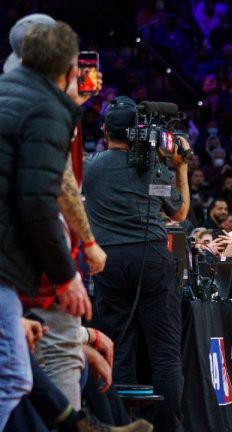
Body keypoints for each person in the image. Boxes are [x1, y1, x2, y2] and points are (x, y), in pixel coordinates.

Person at [0, 19, 92, 429]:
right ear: (71, 69)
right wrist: (66, 274)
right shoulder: (47, 109)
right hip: (12, 263)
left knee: (17, 376)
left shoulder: (10, 92)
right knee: (15, 377)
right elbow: (40, 198)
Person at [83, 95, 191, 431]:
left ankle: (121, 423)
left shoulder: (90, 166)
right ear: (138, 130)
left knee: (119, 345)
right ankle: (168, 427)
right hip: (152, 258)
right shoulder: (154, 165)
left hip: (108, 261)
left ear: (105, 131)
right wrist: (181, 167)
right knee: (165, 352)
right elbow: (180, 213)